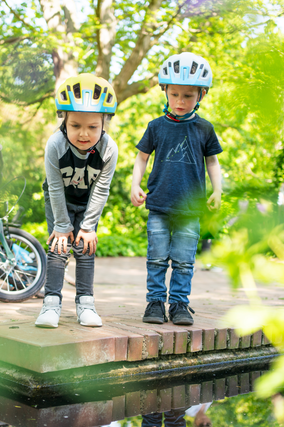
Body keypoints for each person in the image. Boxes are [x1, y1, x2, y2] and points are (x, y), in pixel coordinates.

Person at [131, 52, 223, 326]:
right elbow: (142, 157)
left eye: (188, 96)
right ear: (165, 92)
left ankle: (180, 304)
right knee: (157, 258)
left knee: (184, 260)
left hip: (190, 208)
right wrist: (135, 183)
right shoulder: (156, 126)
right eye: (175, 95)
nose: (180, 102)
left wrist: (217, 190)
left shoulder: (204, 128)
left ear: (201, 96)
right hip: (159, 204)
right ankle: (156, 303)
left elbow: (213, 162)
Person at [35, 74, 119, 329]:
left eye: (93, 127)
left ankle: (86, 304)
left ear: (104, 123)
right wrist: (62, 226)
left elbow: (102, 189)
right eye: (76, 126)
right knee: (59, 248)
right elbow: (54, 186)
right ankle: (51, 304)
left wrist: (88, 227)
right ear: (64, 122)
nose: (84, 134)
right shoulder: (55, 145)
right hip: (58, 200)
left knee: (85, 249)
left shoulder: (109, 149)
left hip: (88, 203)